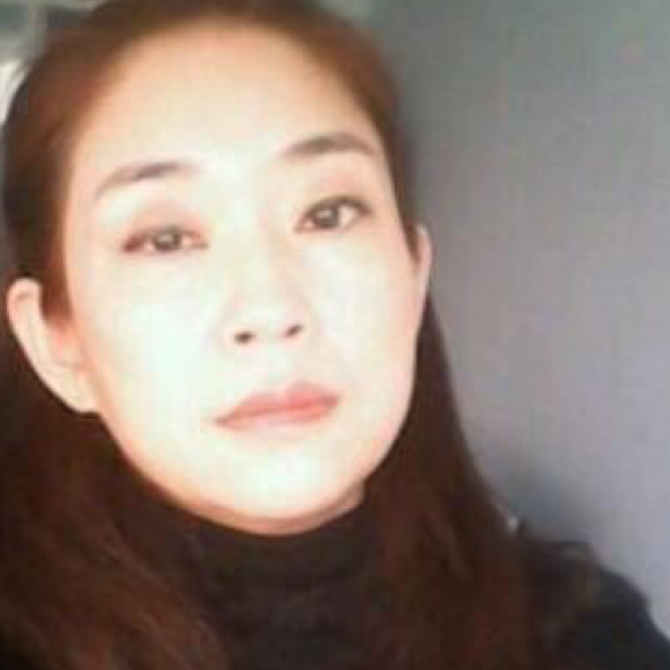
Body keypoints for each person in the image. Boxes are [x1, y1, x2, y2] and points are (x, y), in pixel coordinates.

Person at [0, 1, 668, 669]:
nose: (270, 308)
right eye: (166, 239)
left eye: (328, 213)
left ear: (413, 274)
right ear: (59, 344)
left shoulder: (574, 633)